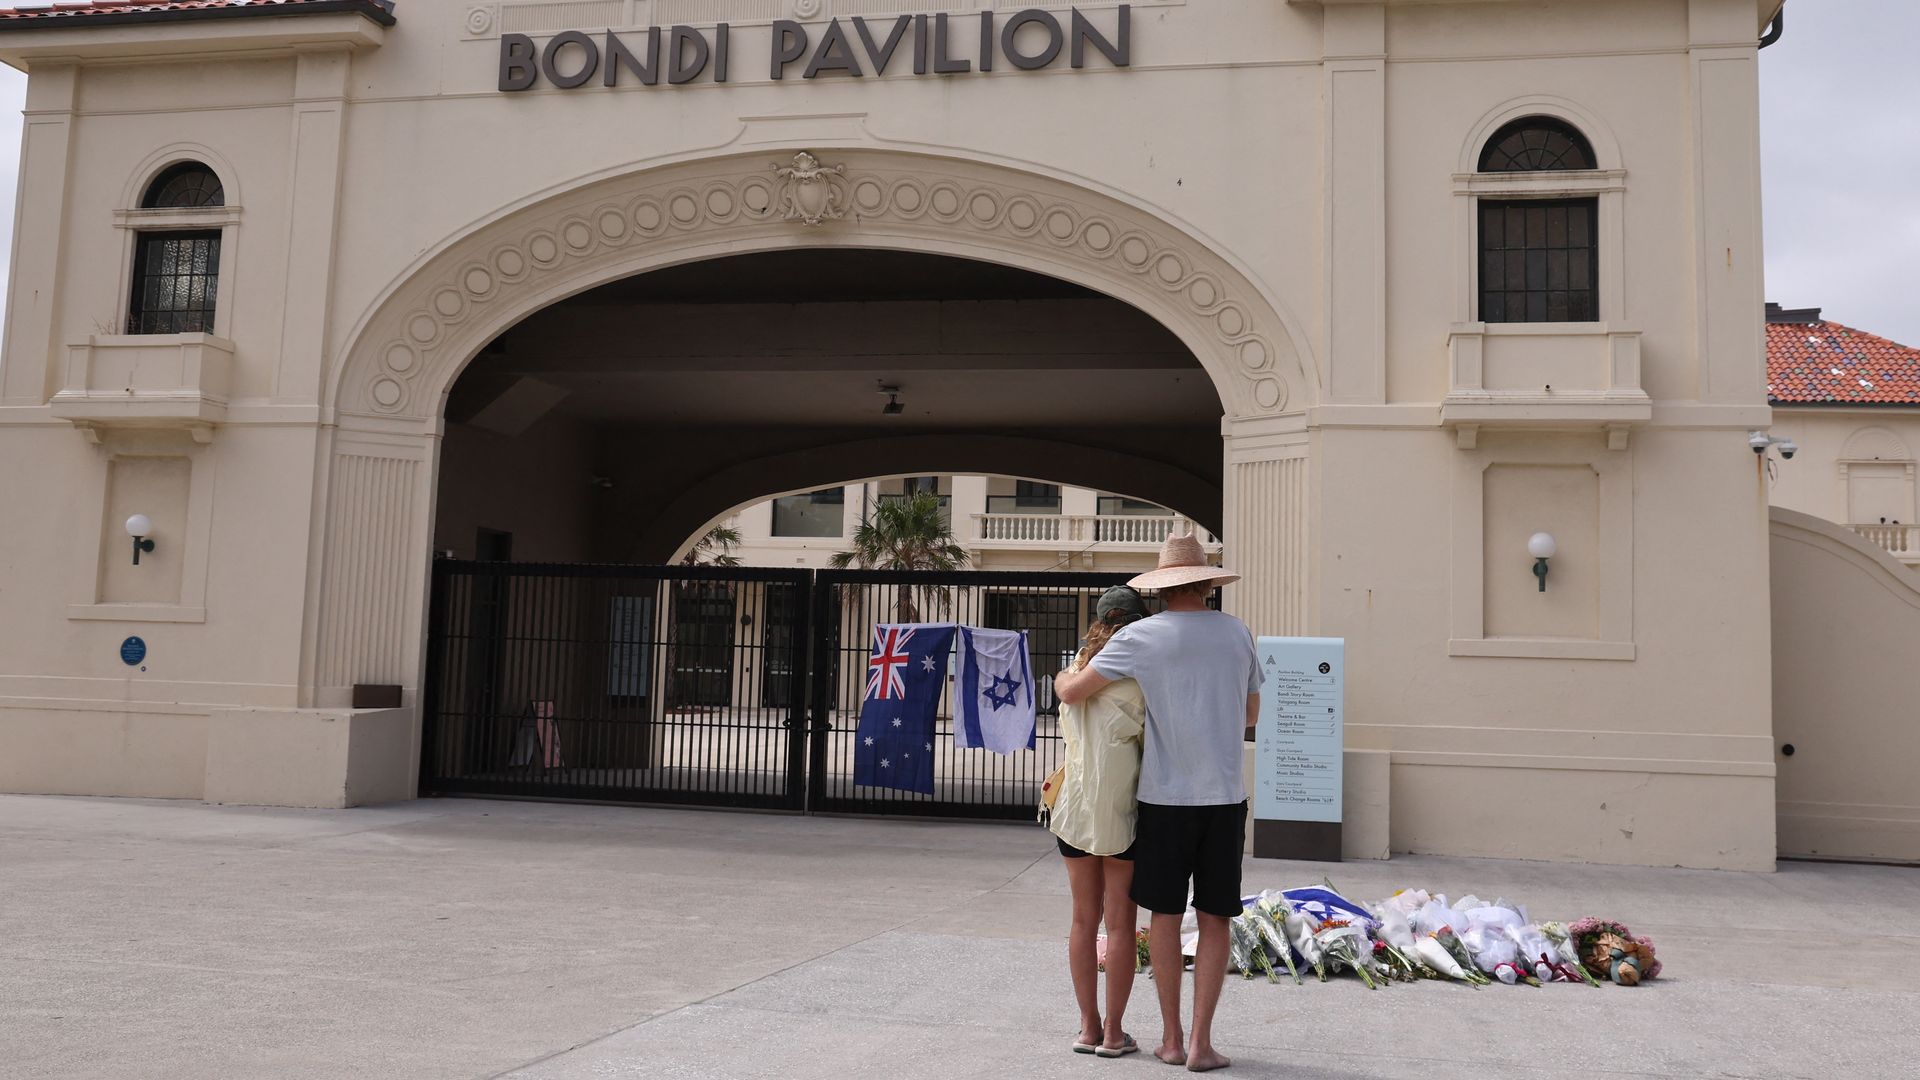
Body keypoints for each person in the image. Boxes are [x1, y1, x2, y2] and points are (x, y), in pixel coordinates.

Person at [1054, 533, 1259, 1073]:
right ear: (1207, 584)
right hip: (1224, 797)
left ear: (1162, 589)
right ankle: (1200, 1044)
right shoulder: (1237, 633)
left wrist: (1061, 676)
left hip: (1164, 799)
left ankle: (1168, 1039)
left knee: (1163, 915)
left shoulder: (1141, 636)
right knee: (1216, 918)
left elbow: (1074, 691)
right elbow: (1251, 714)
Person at [1047, 585, 1150, 1058]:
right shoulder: (1139, 681)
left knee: (1083, 920)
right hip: (1120, 810)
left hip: (1072, 808)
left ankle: (1087, 1027)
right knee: (1121, 923)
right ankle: (1113, 1032)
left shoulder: (1073, 674)